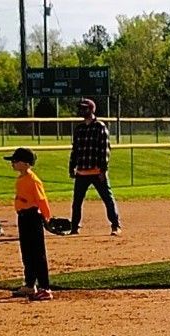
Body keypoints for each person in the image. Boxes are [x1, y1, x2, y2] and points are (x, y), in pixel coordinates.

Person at [5, 147, 53, 301]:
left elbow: (42, 200)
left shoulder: (33, 180)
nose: (12, 163)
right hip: (23, 218)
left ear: (26, 163)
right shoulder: (21, 179)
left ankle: (45, 288)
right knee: (26, 252)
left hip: (33, 217)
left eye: (15, 161)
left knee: (37, 253)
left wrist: (48, 218)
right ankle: (30, 283)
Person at [68, 98, 121, 236]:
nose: (81, 111)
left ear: (91, 110)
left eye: (84, 108)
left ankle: (115, 225)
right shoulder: (79, 129)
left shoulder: (100, 127)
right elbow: (75, 150)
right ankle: (74, 227)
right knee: (77, 202)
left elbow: (105, 150)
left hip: (97, 171)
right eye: (80, 108)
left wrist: (103, 170)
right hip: (82, 171)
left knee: (107, 199)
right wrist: (72, 166)